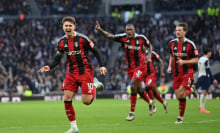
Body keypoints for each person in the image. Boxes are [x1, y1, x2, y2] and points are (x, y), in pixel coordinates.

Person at [39, 16, 107, 133]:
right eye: (66, 26)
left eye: (70, 25)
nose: (68, 27)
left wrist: (101, 65)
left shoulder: (82, 39)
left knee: (86, 102)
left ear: (74, 26)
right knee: (67, 98)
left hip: (85, 72)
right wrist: (49, 66)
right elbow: (57, 59)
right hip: (71, 73)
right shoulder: (61, 42)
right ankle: (74, 127)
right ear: (63, 27)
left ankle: (94, 85)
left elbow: (95, 50)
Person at [95, 21, 153, 121]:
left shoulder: (141, 38)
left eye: (131, 30)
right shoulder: (123, 38)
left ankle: (132, 113)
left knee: (133, 85)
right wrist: (100, 30)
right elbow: (109, 36)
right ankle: (150, 102)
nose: (129, 31)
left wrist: (148, 56)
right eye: (127, 30)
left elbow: (149, 46)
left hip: (141, 66)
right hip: (130, 68)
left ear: (134, 30)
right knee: (138, 89)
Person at [167, 22, 199, 124]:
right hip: (176, 73)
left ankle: (180, 117)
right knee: (178, 96)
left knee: (181, 93)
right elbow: (172, 55)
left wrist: (184, 62)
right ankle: (191, 89)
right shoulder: (172, 43)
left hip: (187, 72)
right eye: (176, 30)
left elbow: (196, 59)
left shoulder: (190, 44)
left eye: (180, 30)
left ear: (185, 32)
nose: (177, 32)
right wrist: (169, 66)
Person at [144, 50, 168, 115]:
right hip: (144, 76)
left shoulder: (151, 53)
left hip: (151, 74)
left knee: (147, 87)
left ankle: (153, 105)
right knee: (154, 92)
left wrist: (162, 72)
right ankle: (164, 103)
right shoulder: (138, 54)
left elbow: (160, 61)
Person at [194, 48, 218, 113]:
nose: (211, 53)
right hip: (204, 77)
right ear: (208, 53)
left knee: (206, 92)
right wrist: (213, 79)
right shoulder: (206, 60)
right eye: (210, 52)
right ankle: (202, 108)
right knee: (205, 92)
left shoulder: (200, 59)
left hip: (200, 76)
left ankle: (201, 105)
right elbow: (208, 70)